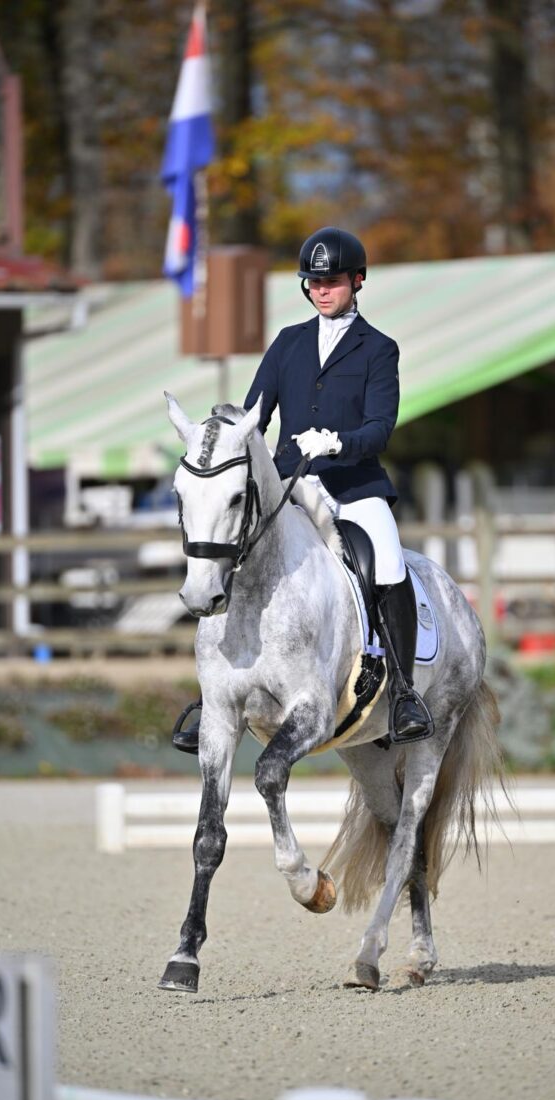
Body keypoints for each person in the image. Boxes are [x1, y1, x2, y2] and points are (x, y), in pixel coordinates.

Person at [172, 225, 432, 752]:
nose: (321, 290)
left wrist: (338, 441)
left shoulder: (378, 349)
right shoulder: (288, 342)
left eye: (332, 281)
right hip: (290, 484)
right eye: (313, 282)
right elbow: (254, 416)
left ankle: (404, 692)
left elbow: (381, 428)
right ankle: (212, 698)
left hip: (353, 485)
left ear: (357, 280)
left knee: (387, 562)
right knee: (238, 555)